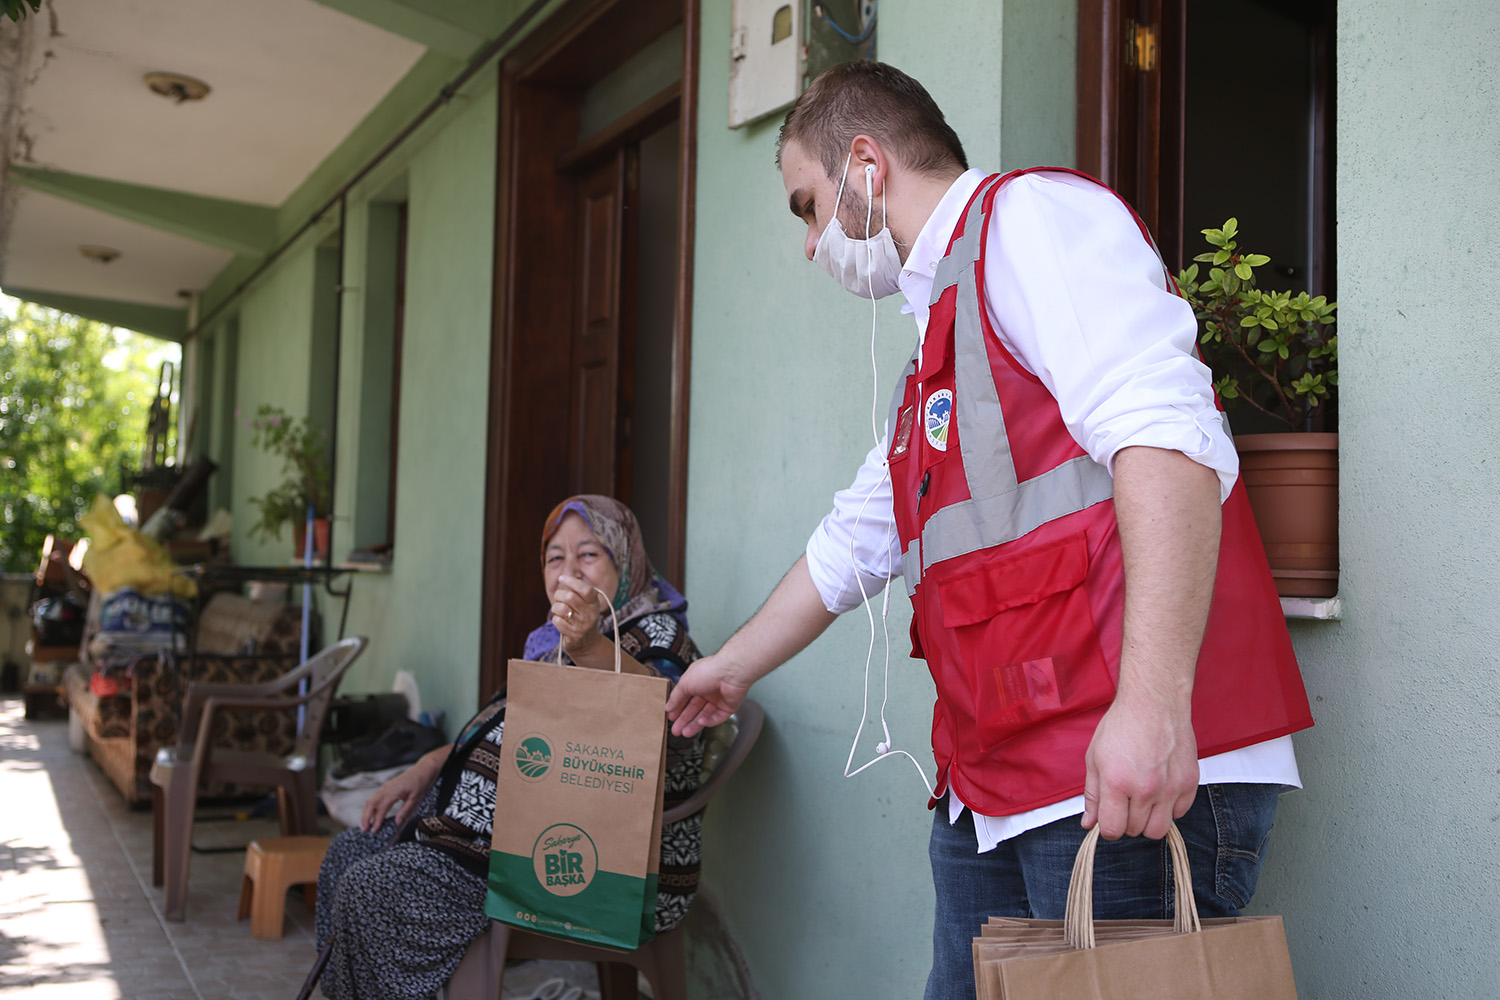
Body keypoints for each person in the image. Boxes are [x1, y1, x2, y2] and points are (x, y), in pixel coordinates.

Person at [665, 61, 1314, 1000]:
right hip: (999, 784)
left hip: (1114, 771)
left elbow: (1168, 443)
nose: (810, 245)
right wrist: (732, 667)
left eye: (807, 207)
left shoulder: (1033, 223)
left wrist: (1151, 710)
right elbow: (858, 539)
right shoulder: (940, 333)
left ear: (865, 163)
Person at [316, 496, 703, 1000]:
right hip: (493, 842)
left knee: (376, 890)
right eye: (555, 557)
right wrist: (427, 767)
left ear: (625, 560)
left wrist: (589, 648)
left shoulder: (658, 634)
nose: (569, 570)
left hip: (592, 862)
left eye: (588, 554)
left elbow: (667, 720)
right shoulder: (551, 642)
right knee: (348, 853)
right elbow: (500, 721)